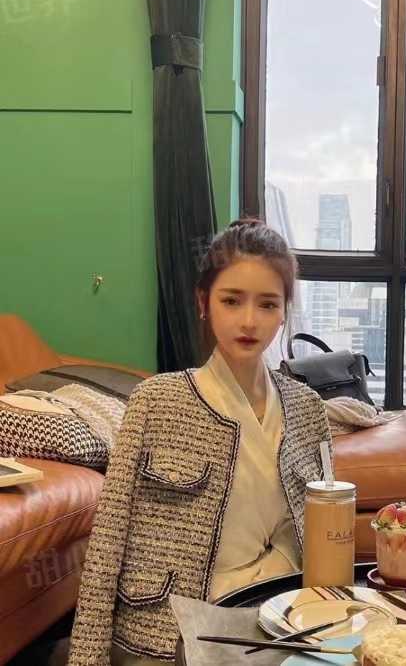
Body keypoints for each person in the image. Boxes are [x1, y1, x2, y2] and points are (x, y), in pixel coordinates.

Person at [67, 218, 374, 665]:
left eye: (267, 304)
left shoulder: (307, 408)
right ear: (203, 303)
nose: (249, 321)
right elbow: (108, 541)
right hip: (172, 634)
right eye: (231, 300)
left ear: (284, 312)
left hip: (284, 622)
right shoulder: (156, 401)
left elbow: (326, 531)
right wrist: (87, 659)